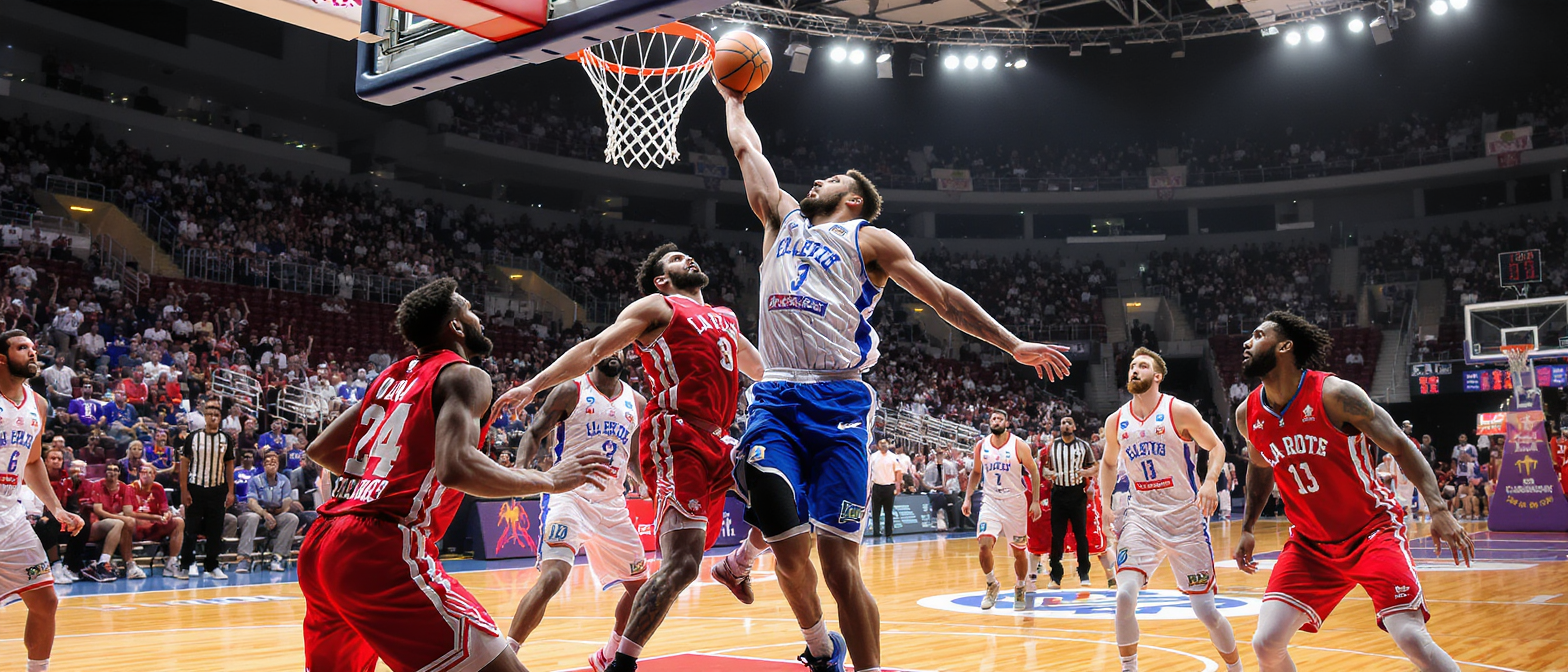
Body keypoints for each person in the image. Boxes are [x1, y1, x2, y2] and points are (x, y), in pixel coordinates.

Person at [716, 77, 1072, 672]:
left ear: (854, 199)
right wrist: (733, 100)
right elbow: (747, 150)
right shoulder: (781, 220)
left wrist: (1012, 345)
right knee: (787, 545)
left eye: (833, 179)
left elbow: (943, 298)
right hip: (775, 396)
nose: (818, 182)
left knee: (839, 566)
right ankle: (818, 644)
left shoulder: (870, 239)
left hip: (838, 403)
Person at [299, 277, 612, 672]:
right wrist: (549, 479)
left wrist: (383, 479)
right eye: (469, 310)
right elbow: (456, 467)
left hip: (323, 542)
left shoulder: (390, 377)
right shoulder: (465, 375)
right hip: (380, 546)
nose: (478, 318)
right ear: (456, 326)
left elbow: (321, 449)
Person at [495, 247, 764, 672]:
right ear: (661, 279)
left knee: (786, 493)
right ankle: (535, 654)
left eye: (688, 255)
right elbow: (592, 349)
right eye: (677, 258)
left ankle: (737, 565)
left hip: (700, 448)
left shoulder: (724, 318)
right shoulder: (657, 307)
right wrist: (533, 386)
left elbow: (762, 369)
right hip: (666, 440)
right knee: (666, 567)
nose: (688, 259)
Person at [1234, 312, 1473, 672]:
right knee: (1265, 643)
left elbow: (1400, 445)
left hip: (1370, 532)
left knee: (1410, 636)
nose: (1246, 342)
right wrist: (1248, 527)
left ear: (1284, 346)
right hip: (1311, 545)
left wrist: (1438, 509)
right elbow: (1261, 466)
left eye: (1257, 334)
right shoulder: (1247, 413)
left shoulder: (1335, 394)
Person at [1099, 347, 1243, 672]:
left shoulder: (1178, 410)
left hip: (1185, 519)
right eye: (1132, 365)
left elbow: (1216, 446)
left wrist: (1210, 481)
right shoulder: (1116, 420)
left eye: (1142, 365)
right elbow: (1108, 463)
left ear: (1157, 376)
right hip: (1141, 518)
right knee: (1124, 596)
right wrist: (1105, 503)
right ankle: (1129, 668)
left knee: (1206, 611)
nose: (1134, 370)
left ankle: (1236, 669)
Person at [507, 352, 649, 672]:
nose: (615, 353)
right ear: (596, 353)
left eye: (621, 349)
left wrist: (645, 482)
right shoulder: (571, 390)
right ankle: (507, 653)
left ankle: (608, 654)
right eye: (609, 348)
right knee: (553, 577)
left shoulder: (637, 402)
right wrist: (519, 469)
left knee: (642, 590)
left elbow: (632, 458)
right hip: (568, 496)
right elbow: (534, 433)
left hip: (612, 505)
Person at [0, 330, 86, 672]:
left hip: (11, 517)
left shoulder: (38, 404)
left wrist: (56, 508)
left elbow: (33, 461)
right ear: (2, 359)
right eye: (22, 348)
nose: (32, 352)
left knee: (45, 601)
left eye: (33, 347)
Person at [960, 409, 1042, 611]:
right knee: (984, 545)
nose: (996, 421)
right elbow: (976, 472)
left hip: (1015, 503)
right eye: (993, 419)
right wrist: (967, 498)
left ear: (1007, 423)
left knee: (1019, 552)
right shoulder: (982, 445)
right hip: (991, 501)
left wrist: (1036, 501)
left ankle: (1020, 586)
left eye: (1000, 419)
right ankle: (991, 583)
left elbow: (1033, 471)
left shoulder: (1018, 445)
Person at [178, 401, 236, 580]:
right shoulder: (193, 437)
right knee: (191, 529)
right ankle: (186, 564)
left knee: (215, 530)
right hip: (195, 488)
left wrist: (230, 491)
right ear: (204, 416)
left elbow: (229, 466)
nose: (213, 417)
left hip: (217, 489)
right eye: (210, 414)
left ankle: (212, 566)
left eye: (216, 415)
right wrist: (184, 490)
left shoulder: (226, 439)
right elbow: (184, 464)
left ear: (220, 418)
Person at [1042, 415, 1095, 589]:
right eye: (1063, 422)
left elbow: (1095, 466)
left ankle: (1084, 573)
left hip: (1077, 493)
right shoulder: (1052, 446)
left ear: (1074, 427)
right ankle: (1055, 576)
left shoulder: (1083, 445)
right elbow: (1044, 469)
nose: (1065, 425)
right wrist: (1049, 475)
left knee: (1081, 535)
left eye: (1069, 423)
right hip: (1058, 494)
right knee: (1057, 536)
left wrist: (1086, 473)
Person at [237, 452, 299, 573]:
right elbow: (251, 502)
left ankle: (277, 557)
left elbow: (287, 501)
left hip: (276, 514)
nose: (272, 465)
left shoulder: (284, 480)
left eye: (274, 462)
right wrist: (265, 514)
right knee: (252, 518)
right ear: (264, 465)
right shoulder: (255, 480)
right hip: (258, 514)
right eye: (269, 462)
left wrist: (277, 514)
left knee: (292, 518)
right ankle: (244, 559)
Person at [83, 462, 144, 579]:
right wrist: (121, 517)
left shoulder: (125, 488)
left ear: (119, 473)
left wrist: (123, 518)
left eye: (115, 470)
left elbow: (127, 512)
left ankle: (129, 564)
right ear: (105, 472)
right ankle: (104, 563)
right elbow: (99, 511)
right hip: (96, 524)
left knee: (126, 523)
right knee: (121, 522)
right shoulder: (97, 485)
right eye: (109, 470)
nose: (112, 472)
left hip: (116, 526)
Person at [126, 462, 183, 578]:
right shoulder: (130, 488)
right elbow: (130, 513)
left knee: (179, 522)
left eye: (149, 473)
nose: (146, 475)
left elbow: (164, 509)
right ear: (139, 474)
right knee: (128, 522)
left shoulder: (158, 488)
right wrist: (155, 517)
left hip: (155, 526)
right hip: (137, 527)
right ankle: (130, 564)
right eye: (143, 472)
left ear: (154, 475)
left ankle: (171, 563)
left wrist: (167, 514)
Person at [867, 440, 900, 539]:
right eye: (882, 444)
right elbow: (869, 471)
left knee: (888, 511)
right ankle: (876, 532)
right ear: (878, 446)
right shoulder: (873, 457)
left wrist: (898, 486)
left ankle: (888, 532)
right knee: (875, 511)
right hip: (876, 486)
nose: (884, 446)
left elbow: (898, 472)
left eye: (885, 444)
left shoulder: (893, 457)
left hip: (889, 486)